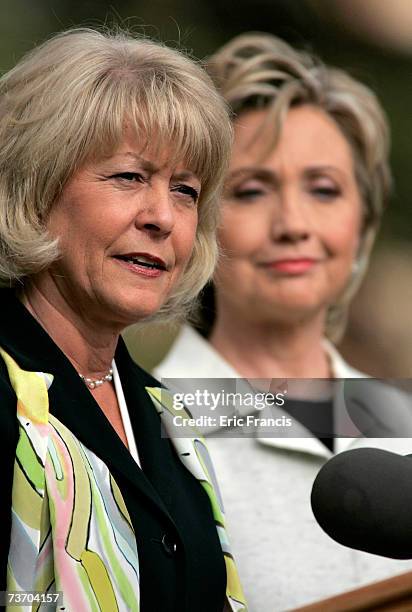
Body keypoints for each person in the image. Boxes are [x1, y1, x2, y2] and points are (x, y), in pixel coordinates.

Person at [155, 33, 412, 610]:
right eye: (251, 191)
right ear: (194, 221)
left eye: (324, 189)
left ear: (363, 223)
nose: (293, 223)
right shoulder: (147, 432)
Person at [0, 28, 248, 612]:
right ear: (37, 187)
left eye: (185, 190)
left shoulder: (170, 418)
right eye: (130, 177)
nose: (162, 216)